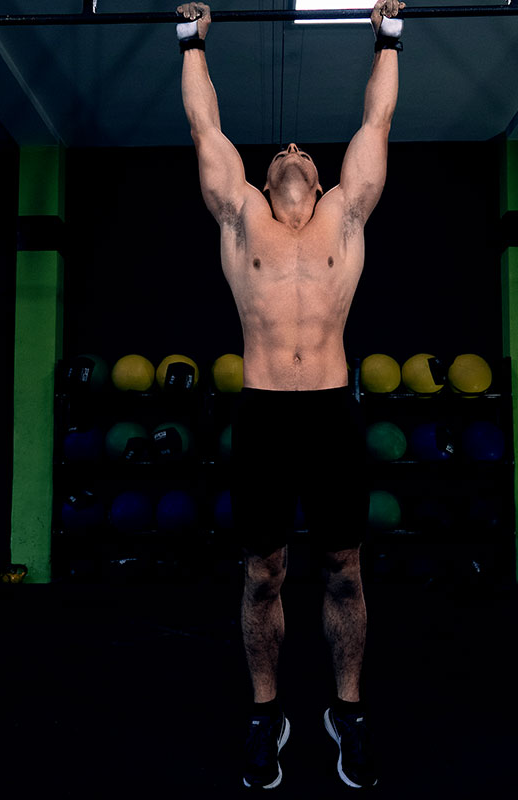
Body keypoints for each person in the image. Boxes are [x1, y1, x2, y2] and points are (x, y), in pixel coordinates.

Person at [177, 0, 405, 789]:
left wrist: (387, 35)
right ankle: (266, 711)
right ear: (268, 175)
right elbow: (207, 129)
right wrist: (192, 40)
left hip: (333, 410)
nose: (296, 150)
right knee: (263, 572)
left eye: (306, 152)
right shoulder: (242, 216)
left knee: (345, 567)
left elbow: (376, 120)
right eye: (284, 152)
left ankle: (347, 709)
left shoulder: (347, 211)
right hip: (267, 412)